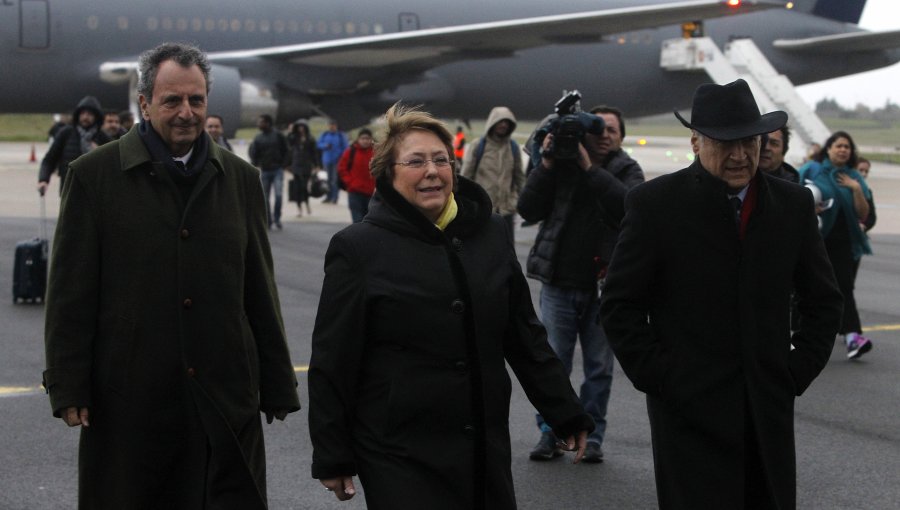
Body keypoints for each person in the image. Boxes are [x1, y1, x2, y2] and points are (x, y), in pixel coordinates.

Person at [42, 42, 301, 509]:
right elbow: (70, 293)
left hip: (224, 399)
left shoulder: (241, 179)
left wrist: (278, 380)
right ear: (144, 104)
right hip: (132, 399)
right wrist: (68, 382)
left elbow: (259, 287)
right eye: (172, 101)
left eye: (197, 100)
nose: (187, 112)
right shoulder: (94, 177)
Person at [309, 104, 594, 509]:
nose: (432, 171)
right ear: (388, 172)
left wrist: (564, 411)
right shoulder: (358, 249)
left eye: (442, 160)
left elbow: (524, 335)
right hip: (399, 452)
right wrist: (332, 454)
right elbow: (332, 360)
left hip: (481, 444)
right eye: (416, 161)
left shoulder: (490, 233)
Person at [599, 79, 843, 510]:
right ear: (695, 142)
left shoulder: (792, 206)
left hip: (766, 414)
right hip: (688, 415)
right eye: (724, 143)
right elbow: (620, 306)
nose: (739, 155)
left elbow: (823, 301)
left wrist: (794, 372)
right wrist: (662, 378)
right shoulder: (654, 205)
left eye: (749, 142)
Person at [517, 104, 644, 464]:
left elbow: (629, 207)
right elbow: (527, 208)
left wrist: (589, 169)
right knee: (553, 363)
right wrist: (547, 164)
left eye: (612, 131)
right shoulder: (560, 164)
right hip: (559, 281)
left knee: (599, 368)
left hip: (605, 286)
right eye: (598, 129)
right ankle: (551, 432)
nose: (604, 136)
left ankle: (594, 436)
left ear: (621, 137)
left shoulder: (627, 169)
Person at [799, 131, 875, 359]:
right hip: (815, 239)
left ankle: (852, 337)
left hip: (845, 243)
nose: (843, 150)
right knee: (810, 288)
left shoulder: (854, 176)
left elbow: (864, 214)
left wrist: (856, 189)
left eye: (847, 147)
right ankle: (803, 335)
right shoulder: (811, 170)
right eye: (838, 145)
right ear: (828, 148)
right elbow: (794, 196)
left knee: (844, 288)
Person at [461, 107, 523, 233]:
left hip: (506, 211)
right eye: (500, 121)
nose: (504, 125)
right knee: (481, 248)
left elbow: (519, 177)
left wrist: (523, 202)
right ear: (492, 123)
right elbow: (466, 176)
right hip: (483, 209)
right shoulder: (478, 146)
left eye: (507, 122)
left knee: (506, 250)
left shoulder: (513, 147)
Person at [37, 95, 110, 196]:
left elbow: (113, 164)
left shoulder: (103, 137)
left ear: (96, 117)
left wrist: (99, 153)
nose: (85, 117)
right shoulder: (66, 133)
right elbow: (49, 159)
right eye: (83, 113)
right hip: (69, 190)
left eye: (89, 114)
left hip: (95, 192)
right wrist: (43, 179)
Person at [249, 113, 290, 230]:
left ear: (267, 123)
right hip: (265, 171)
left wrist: (284, 164)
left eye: (261, 122)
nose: (259, 124)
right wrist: (254, 164)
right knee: (265, 197)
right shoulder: (258, 138)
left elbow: (287, 150)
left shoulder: (278, 135)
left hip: (277, 170)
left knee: (278, 195)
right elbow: (253, 152)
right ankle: (269, 220)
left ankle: (277, 218)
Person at [337, 128, 376, 223]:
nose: (365, 141)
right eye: (363, 138)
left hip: (371, 192)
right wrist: (350, 182)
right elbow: (342, 168)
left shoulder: (376, 153)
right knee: (357, 220)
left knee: (369, 220)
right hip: (355, 191)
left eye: (368, 138)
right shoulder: (351, 152)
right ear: (358, 139)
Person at [287, 120, 319, 216]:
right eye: (299, 127)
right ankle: (299, 208)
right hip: (296, 165)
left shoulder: (310, 139)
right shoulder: (294, 138)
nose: (301, 129)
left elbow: (314, 153)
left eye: (302, 127)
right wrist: (290, 131)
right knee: (297, 188)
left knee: (304, 187)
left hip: (306, 165)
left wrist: (317, 165)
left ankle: (307, 204)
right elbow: (287, 143)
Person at [317, 119, 348, 204]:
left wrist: (341, 156)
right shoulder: (324, 134)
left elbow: (346, 148)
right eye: (330, 125)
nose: (332, 127)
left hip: (337, 161)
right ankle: (328, 196)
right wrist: (325, 146)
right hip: (326, 161)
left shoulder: (340, 136)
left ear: (336, 126)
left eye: (333, 125)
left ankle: (335, 197)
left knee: (334, 180)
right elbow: (318, 144)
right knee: (327, 179)